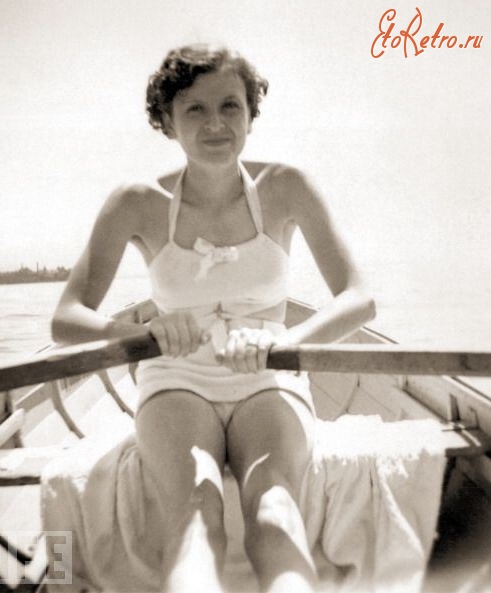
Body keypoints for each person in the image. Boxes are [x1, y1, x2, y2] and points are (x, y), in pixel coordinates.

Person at [52, 44, 376, 593]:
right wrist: (144, 331)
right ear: (167, 120)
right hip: (176, 380)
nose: (216, 124)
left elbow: (359, 299)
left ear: (251, 113)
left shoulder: (287, 186)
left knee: (274, 507)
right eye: (195, 110)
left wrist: (284, 343)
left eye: (230, 106)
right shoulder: (135, 201)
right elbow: (66, 319)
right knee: (196, 511)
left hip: (268, 376)